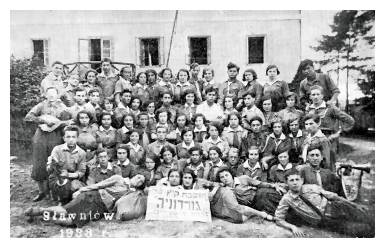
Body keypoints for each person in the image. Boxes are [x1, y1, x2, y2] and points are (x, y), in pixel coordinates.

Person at [274, 170, 374, 237]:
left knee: (367, 218)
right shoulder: (286, 199)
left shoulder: (311, 187)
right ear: (287, 183)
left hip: (336, 207)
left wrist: (353, 205)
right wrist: (292, 227)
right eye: (291, 180)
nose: (295, 183)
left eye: (297, 179)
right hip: (325, 221)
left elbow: (333, 196)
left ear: (302, 180)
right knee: (362, 230)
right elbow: (278, 219)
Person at [25, 174, 146, 227]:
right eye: (139, 176)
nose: (139, 179)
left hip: (101, 208)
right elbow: (99, 184)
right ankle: (39, 210)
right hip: (93, 196)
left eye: (142, 181)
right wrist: (82, 190)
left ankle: (46, 217)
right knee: (66, 211)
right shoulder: (119, 179)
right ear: (134, 176)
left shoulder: (132, 193)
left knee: (72, 223)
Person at [24, 87, 71, 201]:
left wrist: (58, 123)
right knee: (39, 163)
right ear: (45, 95)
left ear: (57, 95)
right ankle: (42, 192)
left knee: (55, 162)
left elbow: (69, 121)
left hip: (56, 136)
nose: (51, 96)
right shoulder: (41, 105)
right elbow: (28, 117)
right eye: (49, 94)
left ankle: (55, 191)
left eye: (53, 94)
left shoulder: (62, 107)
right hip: (40, 137)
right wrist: (43, 120)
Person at [214, 167, 284, 219]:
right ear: (220, 180)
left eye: (227, 175)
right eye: (222, 177)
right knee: (275, 214)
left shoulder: (243, 178)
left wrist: (273, 185)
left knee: (277, 201)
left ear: (231, 175)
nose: (225, 178)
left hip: (259, 194)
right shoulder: (226, 191)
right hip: (254, 205)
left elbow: (260, 184)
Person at [46, 125, 87, 203]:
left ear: (77, 138)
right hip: (58, 177)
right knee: (61, 189)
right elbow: (49, 169)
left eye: (73, 137)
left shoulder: (82, 153)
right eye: (68, 137)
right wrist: (51, 165)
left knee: (76, 192)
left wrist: (68, 175)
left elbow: (81, 172)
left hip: (72, 178)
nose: (71, 139)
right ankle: (58, 197)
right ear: (64, 138)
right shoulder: (57, 149)